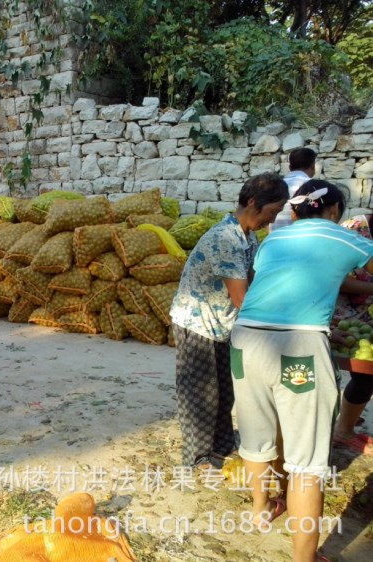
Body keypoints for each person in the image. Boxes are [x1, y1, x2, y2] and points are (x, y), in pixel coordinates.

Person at [230, 180, 373, 562]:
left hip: (245, 340)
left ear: (296, 210)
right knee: (307, 462)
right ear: (333, 211)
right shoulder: (343, 236)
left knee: (257, 435)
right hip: (298, 348)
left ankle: (261, 511)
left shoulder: (275, 239)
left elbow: (281, 284)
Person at [169, 173, 289, 472]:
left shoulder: (247, 237)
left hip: (222, 323)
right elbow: (241, 299)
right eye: (271, 213)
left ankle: (221, 445)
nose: (270, 220)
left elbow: (250, 280)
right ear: (252, 202)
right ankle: (197, 457)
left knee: (225, 389)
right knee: (201, 392)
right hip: (198, 322)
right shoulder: (225, 238)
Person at [330, 213, 373, 455]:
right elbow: (337, 279)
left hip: (367, 316)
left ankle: (347, 417)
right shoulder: (353, 229)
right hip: (342, 316)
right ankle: (342, 430)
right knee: (362, 373)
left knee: (366, 373)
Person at [270, 147, 317, 231]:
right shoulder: (314, 186)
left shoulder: (274, 185)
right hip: (302, 239)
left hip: (274, 238)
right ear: (313, 166)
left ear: (290, 167)